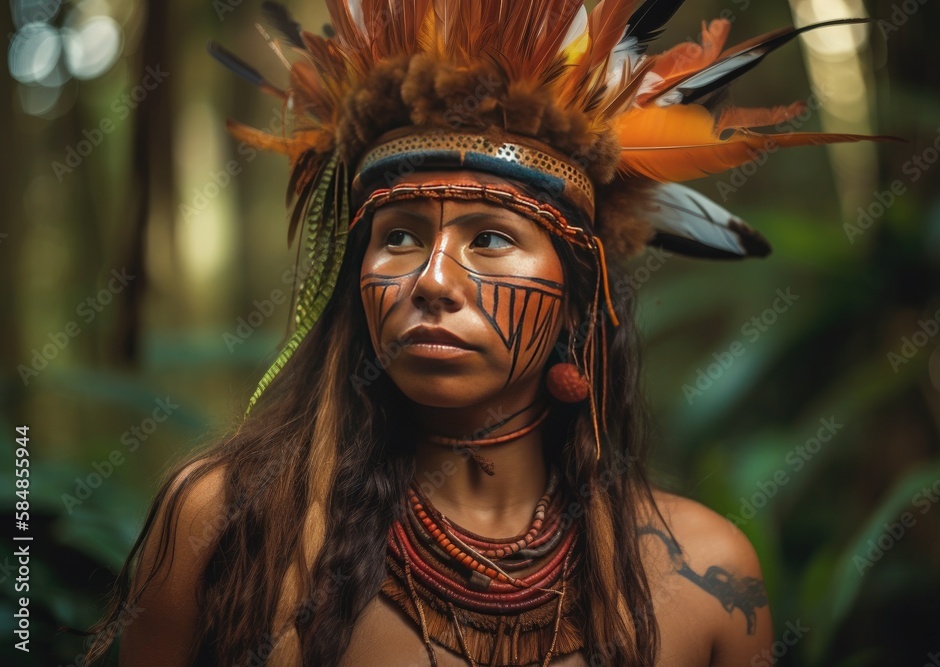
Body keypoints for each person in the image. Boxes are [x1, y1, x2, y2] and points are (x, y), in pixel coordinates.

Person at [85, 1, 885, 665]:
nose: (431, 279)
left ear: (579, 293)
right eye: (396, 234)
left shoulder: (705, 578)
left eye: (491, 238)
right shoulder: (228, 524)